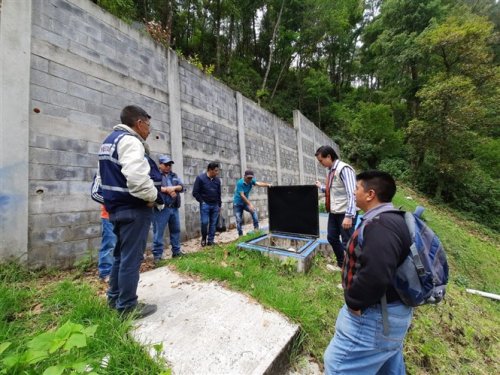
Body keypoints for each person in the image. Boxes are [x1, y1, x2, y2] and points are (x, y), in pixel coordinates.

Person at [323, 171, 413, 374]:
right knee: (388, 366)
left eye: (356, 189)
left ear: (370, 194)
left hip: (374, 318)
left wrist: (354, 302)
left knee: (337, 367)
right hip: (391, 313)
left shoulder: (380, 225)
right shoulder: (391, 219)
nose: (353, 193)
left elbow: (376, 274)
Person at [97, 105, 164, 319]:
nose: (149, 130)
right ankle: (127, 306)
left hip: (115, 209)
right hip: (133, 208)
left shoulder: (109, 142)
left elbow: (100, 180)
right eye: (148, 125)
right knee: (131, 259)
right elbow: (136, 178)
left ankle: (114, 298)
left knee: (119, 256)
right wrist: (153, 198)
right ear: (139, 123)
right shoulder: (130, 141)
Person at [315, 145, 356, 268]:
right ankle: (342, 264)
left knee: (347, 242)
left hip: (345, 212)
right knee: (332, 237)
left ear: (329, 156)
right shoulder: (332, 170)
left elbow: (352, 192)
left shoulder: (344, 169)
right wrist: (321, 187)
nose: (321, 163)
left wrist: (349, 215)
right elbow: (333, 191)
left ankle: (352, 269)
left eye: (321, 160)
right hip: (334, 211)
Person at [152, 155, 185, 261]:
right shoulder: (156, 175)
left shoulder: (173, 175)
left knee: (176, 230)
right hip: (161, 208)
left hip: (174, 208)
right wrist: (166, 190)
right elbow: (152, 187)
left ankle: (176, 252)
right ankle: (157, 256)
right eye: (166, 164)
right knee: (159, 232)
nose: (168, 167)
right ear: (160, 164)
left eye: (169, 165)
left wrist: (173, 188)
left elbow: (181, 186)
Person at [91, 175, 116, 282]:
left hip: (123, 215)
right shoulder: (101, 173)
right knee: (109, 244)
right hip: (108, 216)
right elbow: (95, 194)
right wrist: (115, 203)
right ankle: (106, 272)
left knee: (121, 245)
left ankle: (116, 271)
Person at [233, 170, 271, 236]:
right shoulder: (240, 183)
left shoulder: (251, 181)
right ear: (244, 176)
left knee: (254, 211)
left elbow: (258, 183)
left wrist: (267, 185)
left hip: (245, 203)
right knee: (239, 220)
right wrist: (250, 204)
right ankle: (240, 235)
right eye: (248, 178)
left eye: (251, 178)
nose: (250, 179)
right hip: (238, 204)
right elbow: (242, 195)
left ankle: (256, 230)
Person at [192, 162, 221, 247]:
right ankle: (204, 238)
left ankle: (210, 241)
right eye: (215, 171)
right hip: (205, 205)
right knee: (204, 222)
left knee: (213, 224)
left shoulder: (217, 180)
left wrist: (219, 205)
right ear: (210, 170)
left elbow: (219, 193)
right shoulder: (200, 178)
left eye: (217, 171)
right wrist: (202, 201)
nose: (217, 173)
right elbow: (195, 192)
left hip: (215, 205)